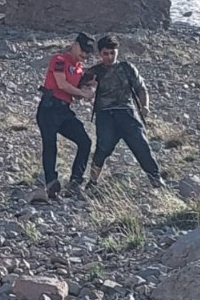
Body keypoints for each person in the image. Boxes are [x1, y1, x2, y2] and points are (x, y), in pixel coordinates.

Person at [84, 35, 164, 189]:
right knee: (103, 148)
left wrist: (145, 106)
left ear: (117, 52)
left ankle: (156, 178)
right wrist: (89, 90)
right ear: (100, 53)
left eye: (112, 53)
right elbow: (84, 92)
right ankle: (92, 181)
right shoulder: (93, 72)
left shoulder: (127, 68)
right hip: (105, 115)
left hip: (127, 113)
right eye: (105, 53)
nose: (109, 57)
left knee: (141, 145)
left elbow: (141, 89)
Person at [36, 32, 97, 198]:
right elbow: (61, 84)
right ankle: (51, 183)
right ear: (75, 45)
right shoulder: (60, 60)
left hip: (64, 110)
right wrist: (83, 93)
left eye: (87, 53)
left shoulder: (78, 69)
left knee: (84, 141)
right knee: (50, 145)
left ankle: (75, 181)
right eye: (83, 50)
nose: (84, 55)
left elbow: (75, 93)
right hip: (49, 108)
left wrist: (87, 90)